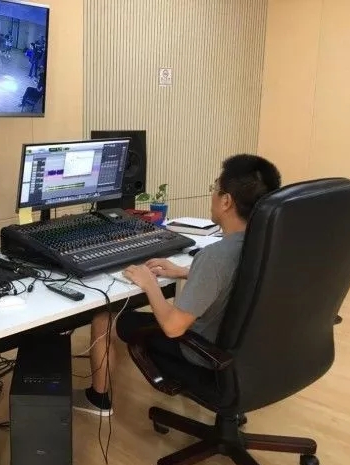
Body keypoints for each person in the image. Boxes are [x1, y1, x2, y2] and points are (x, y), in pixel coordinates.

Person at [72, 154, 282, 416]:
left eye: (215, 188)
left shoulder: (216, 257)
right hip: (251, 356)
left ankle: (98, 400)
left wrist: (150, 284)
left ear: (226, 201)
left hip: (204, 355)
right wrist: (185, 272)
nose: (212, 194)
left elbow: (173, 328)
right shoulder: (268, 243)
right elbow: (242, 280)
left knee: (104, 318)